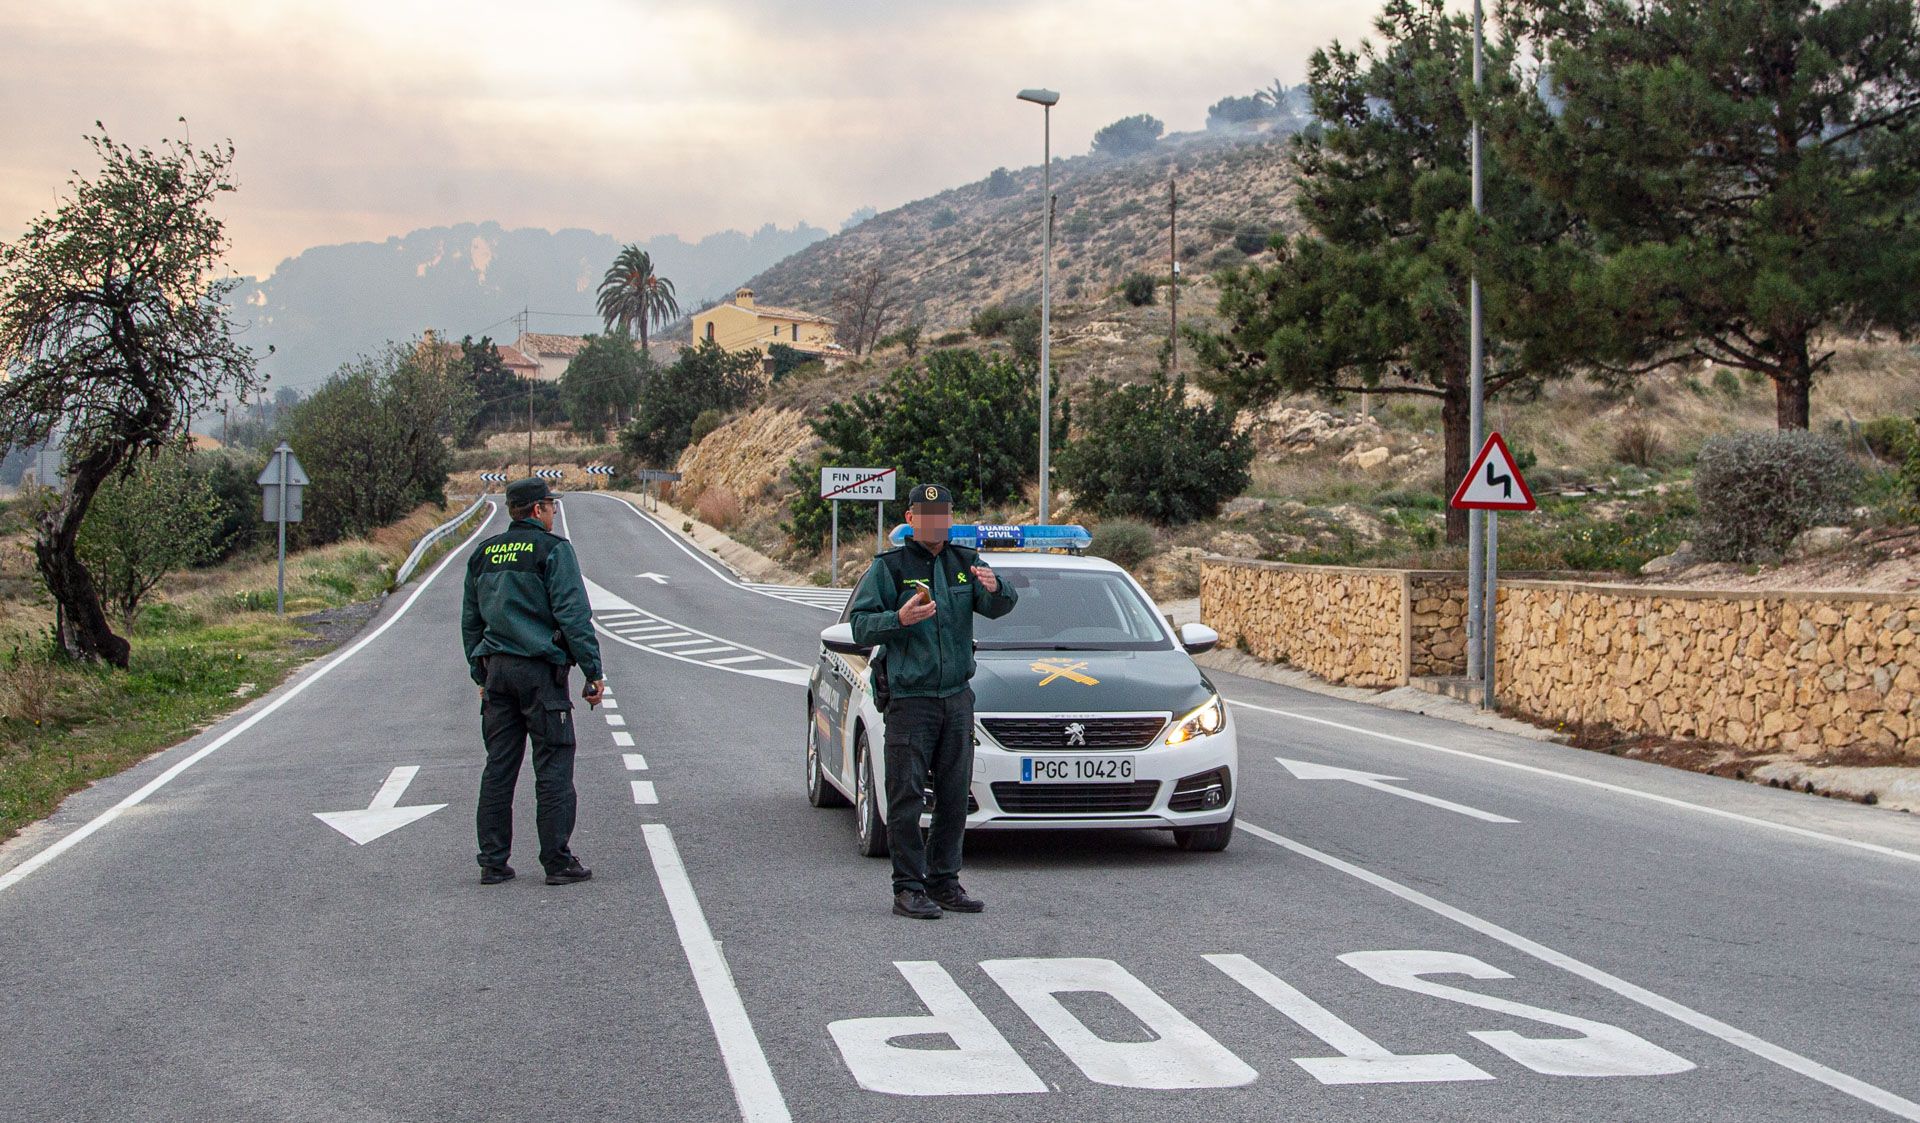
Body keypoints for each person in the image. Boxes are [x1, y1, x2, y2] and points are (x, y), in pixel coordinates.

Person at [848, 483, 1018, 919]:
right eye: (926, 514)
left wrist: (998, 587)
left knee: (954, 794)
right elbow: (861, 627)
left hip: (957, 699)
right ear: (910, 519)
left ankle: (945, 882)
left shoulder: (966, 562)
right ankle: (907, 887)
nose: (935, 522)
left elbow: (1000, 605)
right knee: (906, 797)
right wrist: (898, 619)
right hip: (911, 700)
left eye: (942, 514)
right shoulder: (891, 567)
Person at [460, 477, 606, 886]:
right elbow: (573, 615)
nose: (555, 512)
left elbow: (470, 622)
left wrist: (480, 673)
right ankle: (557, 861)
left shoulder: (483, 554)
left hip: (497, 675)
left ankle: (492, 861)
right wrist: (592, 671)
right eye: (551, 506)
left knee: (499, 767)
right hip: (541, 675)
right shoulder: (554, 550)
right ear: (538, 509)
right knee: (554, 765)